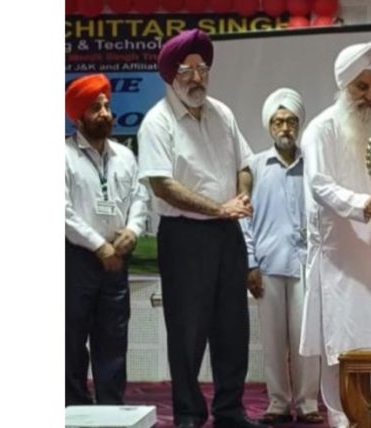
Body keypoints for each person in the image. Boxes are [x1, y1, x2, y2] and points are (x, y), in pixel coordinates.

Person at [136, 29, 265, 428]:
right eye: (187, 70)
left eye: (202, 68)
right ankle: (190, 414)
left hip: (227, 235)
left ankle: (230, 411)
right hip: (185, 237)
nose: (197, 78)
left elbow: (245, 164)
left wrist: (241, 198)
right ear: (171, 76)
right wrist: (219, 208)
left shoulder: (222, 113)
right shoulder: (157, 123)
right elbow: (163, 185)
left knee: (233, 328)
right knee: (187, 331)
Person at [299, 41, 371, 428]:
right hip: (338, 263)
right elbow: (320, 185)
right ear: (344, 86)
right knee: (341, 348)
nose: (370, 97)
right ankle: (342, 421)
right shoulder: (321, 129)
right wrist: (363, 203)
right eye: (362, 87)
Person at [241, 88, 323, 425]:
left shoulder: (314, 165)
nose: (285, 127)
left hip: (306, 264)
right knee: (273, 341)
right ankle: (277, 403)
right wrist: (249, 262)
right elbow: (243, 215)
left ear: (299, 124)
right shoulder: (254, 166)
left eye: (291, 121)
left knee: (307, 341)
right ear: (269, 126)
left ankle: (306, 403)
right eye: (278, 121)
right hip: (268, 265)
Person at [65, 73, 149, 406]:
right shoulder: (62, 155)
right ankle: (74, 411)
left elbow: (140, 197)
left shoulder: (124, 156)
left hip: (117, 260)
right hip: (77, 260)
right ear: (78, 115)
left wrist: (133, 231)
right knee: (71, 341)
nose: (105, 113)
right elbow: (61, 211)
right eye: (95, 107)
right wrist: (99, 246)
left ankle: (112, 411)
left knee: (113, 340)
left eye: (107, 106)